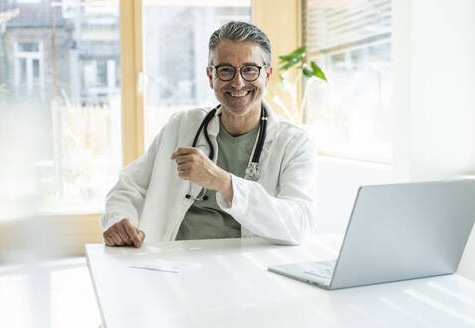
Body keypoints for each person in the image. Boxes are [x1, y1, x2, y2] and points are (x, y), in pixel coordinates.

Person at [101, 21, 316, 248]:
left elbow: (299, 224)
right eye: (225, 70)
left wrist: (223, 182)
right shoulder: (181, 125)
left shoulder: (294, 142)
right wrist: (118, 220)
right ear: (210, 76)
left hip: (249, 268)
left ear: (268, 75)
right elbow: (127, 188)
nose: (238, 82)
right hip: (175, 262)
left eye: (250, 69)